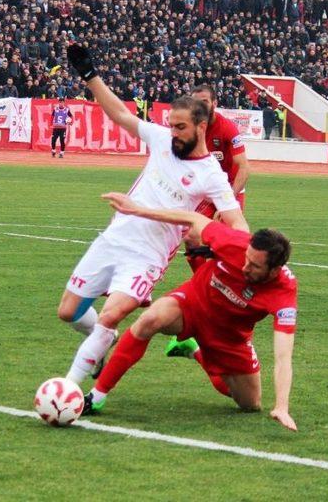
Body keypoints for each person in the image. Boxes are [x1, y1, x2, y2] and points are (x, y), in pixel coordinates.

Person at [58, 44, 249, 385]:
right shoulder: (161, 140)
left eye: (180, 128)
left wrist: (244, 252)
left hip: (147, 256)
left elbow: (237, 223)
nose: (172, 133)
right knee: (68, 312)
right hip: (114, 238)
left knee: (111, 315)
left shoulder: (211, 175)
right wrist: (90, 76)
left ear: (201, 127)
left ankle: (69, 387)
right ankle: (100, 345)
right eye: (171, 126)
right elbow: (120, 114)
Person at [82, 192, 298, 431]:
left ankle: (193, 350)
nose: (245, 266)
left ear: (275, 270)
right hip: (193, 305)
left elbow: (283, 355)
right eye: (246, 259)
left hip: (230, 337)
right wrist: (136, 210)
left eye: (255, 266)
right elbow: (192, 218)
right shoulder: (234, 242)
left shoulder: (284, 293)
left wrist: (281, 406)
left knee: (250, 404)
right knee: (149, 319)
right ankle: (97, 395)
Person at [187, 84, 250, 271]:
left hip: (230, 188)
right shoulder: (192, 129)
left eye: (204, 101)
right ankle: (201, 281)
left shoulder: (227, 128)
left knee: (225, 240)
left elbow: (244, 167)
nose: (200, 106)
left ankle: (233, 278)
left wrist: (227, 199)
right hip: (206, 190)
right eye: (196, 102)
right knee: (191, 236)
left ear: (214, 103)